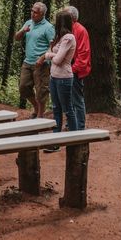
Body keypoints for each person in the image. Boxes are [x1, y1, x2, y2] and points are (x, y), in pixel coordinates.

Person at [43, 10, 77, 153]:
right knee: (56, 108)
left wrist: (48, 54)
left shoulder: (68, 38)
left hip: (64, 78)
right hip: (54, 77)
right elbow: (56, 57)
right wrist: (53, 52)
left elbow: (57, 59)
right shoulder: (60, 37)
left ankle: (75, 140)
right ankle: (55, 141)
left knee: (68, 109)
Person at [14, 2, 54, 118]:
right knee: (23, 87)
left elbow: (53, 46)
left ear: (42, 14)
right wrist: (23, 31)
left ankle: (40, 115)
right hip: (28, 61)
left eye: (35, 12)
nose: (32, 14)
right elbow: (16, 37)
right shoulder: (28, 23)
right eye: (32, 11)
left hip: (41, 63)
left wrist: (43, 57)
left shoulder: (48, 27)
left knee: (41, 90)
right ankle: (36, 106)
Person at [66, 5, 91, 129]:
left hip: (75, 69)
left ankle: (80, 126)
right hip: (66, 68)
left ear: (71, 17)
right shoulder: (66, 29)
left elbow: (83, 54)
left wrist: (73, 69)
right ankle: (71, 123)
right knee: (67, 98)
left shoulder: (80, 30)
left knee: (77, 98)